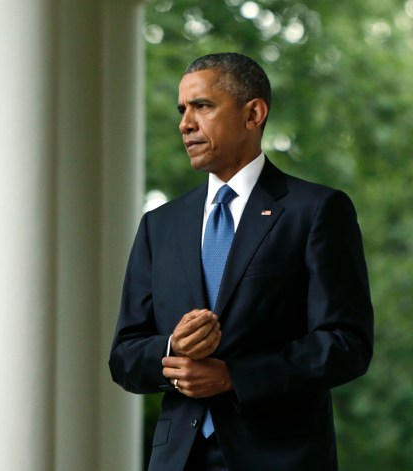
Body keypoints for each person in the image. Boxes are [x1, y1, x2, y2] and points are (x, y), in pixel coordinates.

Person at [108, 52, 373, 471]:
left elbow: (347, 344)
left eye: (203, 106)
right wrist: (173, 348)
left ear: (253, 114)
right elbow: (124, 356)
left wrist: (235, 376)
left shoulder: (317, 210)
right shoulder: (159, 225)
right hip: (180, 459)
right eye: (183, 110)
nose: (185, 124)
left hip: (281, 457)